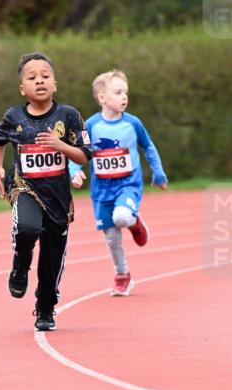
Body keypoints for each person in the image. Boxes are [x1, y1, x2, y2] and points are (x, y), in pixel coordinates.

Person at [0, 52, 90, 331]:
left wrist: (61, 146)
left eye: (45, 76)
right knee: (27, 228)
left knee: (52, 256)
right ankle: (21, 263)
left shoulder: (69, 115)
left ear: (55, 84)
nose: (39, 81)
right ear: (22, 88)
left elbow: (85, 155)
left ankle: (45, 306)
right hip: (25, 187)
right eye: (32, 77)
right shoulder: (13, 116)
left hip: (57, 196)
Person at [70, 69, 167, 295]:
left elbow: (148, 146)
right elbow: (77, 151)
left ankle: (134, 222)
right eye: (118, 92)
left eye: (126, 92)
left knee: (122, 217)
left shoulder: (133, 123)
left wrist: (158, 173)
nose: (124, 96)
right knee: (112, 237)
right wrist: (74, 171)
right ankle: (122, 275)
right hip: (102, 189)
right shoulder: (91, 125)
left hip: (128, 184)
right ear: (102, 97)